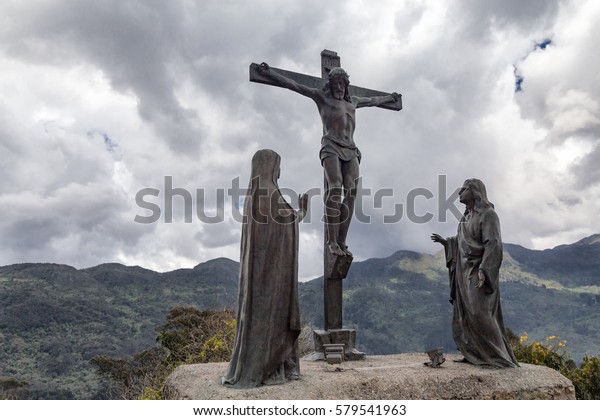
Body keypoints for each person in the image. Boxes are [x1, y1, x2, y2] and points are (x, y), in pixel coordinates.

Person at [257, 63, 400, 257]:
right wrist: (270, 73)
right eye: (336, 84)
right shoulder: (322, 98)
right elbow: (295, 85)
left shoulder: (353, 102)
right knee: (335, 187)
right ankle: (331, 240)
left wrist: (390, 98)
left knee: (351, 191)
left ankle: (342, 240)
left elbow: (374, 100)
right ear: (331, 85)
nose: (339, 87)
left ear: (346, 85)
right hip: (330, 146)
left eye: (342, 84)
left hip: (351, 149)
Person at [222, 149, 308, 388]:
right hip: (273, 279)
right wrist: (301, 212)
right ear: (271, 166)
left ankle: (280, 366)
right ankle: (269, 368)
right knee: (275, 320)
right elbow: (287, 223)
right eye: (278, 165)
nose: (279, 171)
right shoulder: (270, 194)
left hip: (259, 279)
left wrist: (295, 214)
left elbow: (282, 223)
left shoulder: (254, 194)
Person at [431, 179, 519, 368]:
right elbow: (461, 241)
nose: (459, 193)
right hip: (464, 270)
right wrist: (447, 243)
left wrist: (485, 270)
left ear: (475, 191)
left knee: (480, 312)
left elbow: (493, 243)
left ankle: (499, 357)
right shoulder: (465, 217)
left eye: (463, 189)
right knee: (465, 312)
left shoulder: (489, 215)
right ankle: (475, 352)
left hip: (478, 270)